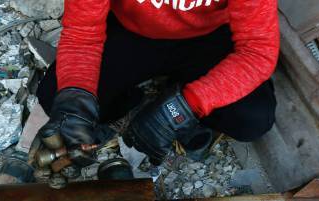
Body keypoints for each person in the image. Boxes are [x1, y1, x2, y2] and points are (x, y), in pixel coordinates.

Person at [36, 0, 279, 166]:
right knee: (63, 101)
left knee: (252, 119)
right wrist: (76, 100)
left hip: (208, 37)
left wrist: (189, 104)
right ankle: (143, 98)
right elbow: (83, 34)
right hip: (131, 32)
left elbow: (257, 50)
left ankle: (178, 93)